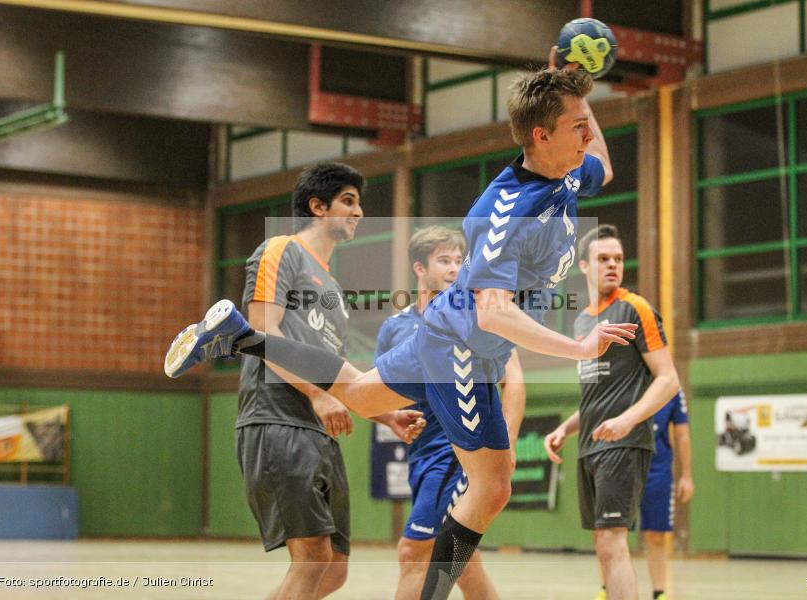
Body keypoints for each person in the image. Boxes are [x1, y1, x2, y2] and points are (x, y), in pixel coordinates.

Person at [165, 67, 636, 600]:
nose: (588, 135)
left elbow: (605, 165)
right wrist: (578, 346)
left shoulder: (569, 173)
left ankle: (238, 333)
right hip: (464, 349)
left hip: (442, 332)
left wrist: (576, 89)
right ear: (540, 137)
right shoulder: (506, 213)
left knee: (360, 397)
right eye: (577, 126)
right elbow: (493, 314)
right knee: (493, 483)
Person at [232, 162, 425, 600]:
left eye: (359, 203)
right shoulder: (279, 250)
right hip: (277, 421)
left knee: (333, 570)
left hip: (320, 432)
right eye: (348, 201)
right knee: (313, 559)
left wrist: (386, 416)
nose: (358, 212)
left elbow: (338, 377)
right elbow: (261, 335)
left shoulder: (333, 291)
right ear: (317, 206)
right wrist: (316, 396)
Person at [376, 226, 525, 599]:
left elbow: (515, 379)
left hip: (458, 450)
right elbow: (379, 390)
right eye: (444, 260)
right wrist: (388, 416)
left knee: (415, 551)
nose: (454, 269)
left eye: (460, 261)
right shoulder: (394, 328)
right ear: (419, 268)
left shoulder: (476, 317)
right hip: (422, 453)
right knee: (462, 561)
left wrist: (506, 445)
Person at [544, 224, 680, 600]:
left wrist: (627, 420)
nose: (613, 265)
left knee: (612, 541)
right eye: (603, 259)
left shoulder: (636, 308)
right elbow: (594, 395)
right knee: (602, 546)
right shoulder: (582, 321)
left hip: (625, 443)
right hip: (590, 446)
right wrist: (566, 428)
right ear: (584, 266)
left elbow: (668, 380)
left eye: (618, 259)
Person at [589, 389, 693, 600]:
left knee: (656, 534)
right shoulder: (626, 379)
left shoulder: (672, 389)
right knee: (609, 532)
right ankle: (606, 587)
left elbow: (682, 435)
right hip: (621, 465)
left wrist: (687, 476)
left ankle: (659, 592)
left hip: (657, 470)